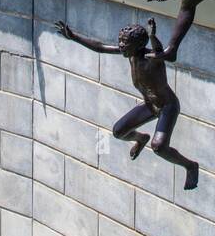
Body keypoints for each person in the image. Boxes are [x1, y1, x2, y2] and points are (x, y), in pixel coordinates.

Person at [56, 17, 198, 190]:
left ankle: (190, 166)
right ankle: (140, 138)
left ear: (137, 45)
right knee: (118, 132)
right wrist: (74, 37)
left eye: (125, 43)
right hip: (150, 105)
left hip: (167, 106)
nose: (121, 46)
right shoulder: (130, 55)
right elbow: (100, 48)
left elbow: (159, 50)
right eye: (120, 42)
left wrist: (153, 36)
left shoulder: (152, 58)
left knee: (159, 147)